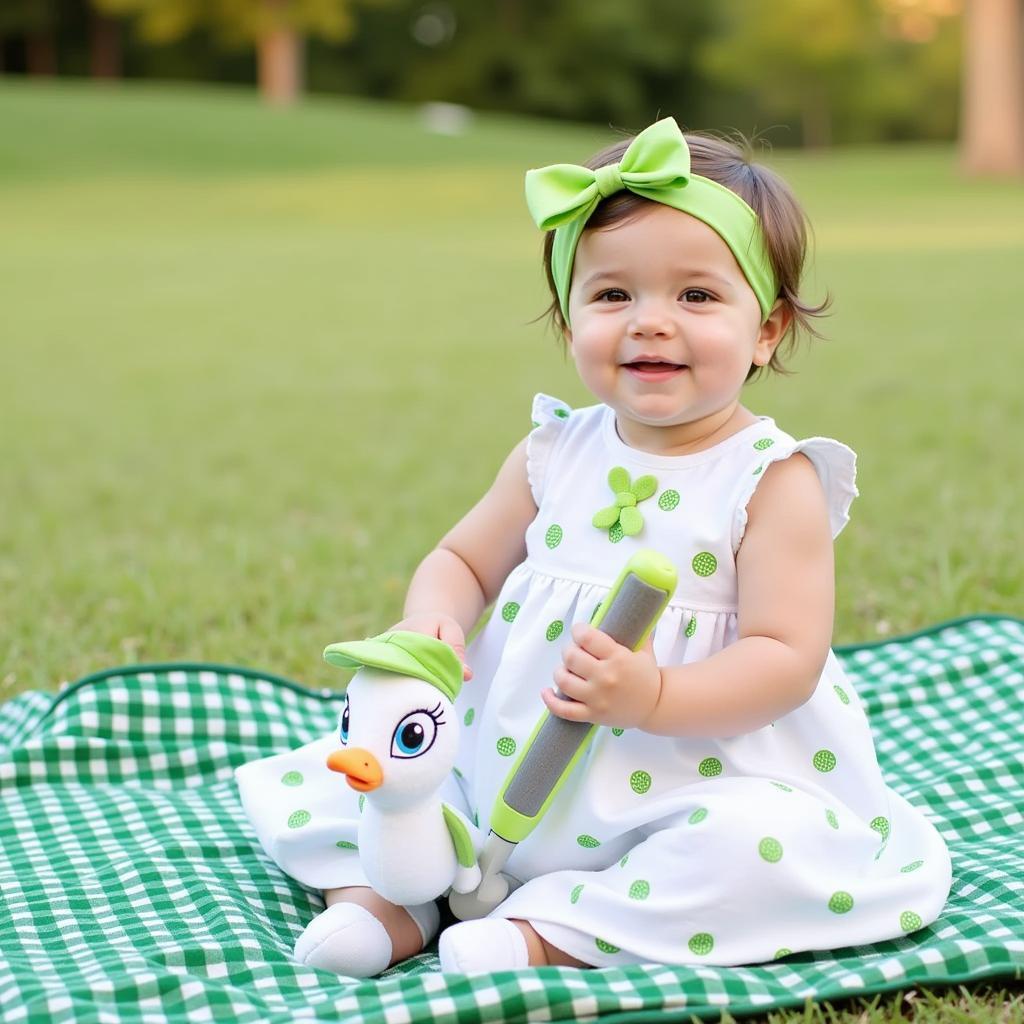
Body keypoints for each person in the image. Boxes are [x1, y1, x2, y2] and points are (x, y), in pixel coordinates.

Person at [235, 117, 951, 977]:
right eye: (613, 296)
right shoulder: (555, 449)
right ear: (569, 318)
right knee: (351, 773)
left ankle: (550, 933)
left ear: (767, 330)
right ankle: (388, 902)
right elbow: (463, 561)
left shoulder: (772, 478)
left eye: (696, 296)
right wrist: (433, 622)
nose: (650, 324)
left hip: (687, 780)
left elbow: (785, 656)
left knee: (758, 851)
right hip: (504, 756)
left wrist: (651, 694)